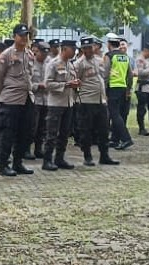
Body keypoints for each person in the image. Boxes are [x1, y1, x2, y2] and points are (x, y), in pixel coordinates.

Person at [0, 25, 36, 177]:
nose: (24, 38)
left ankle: (18, 163)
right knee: (8, 134)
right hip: (11, 99)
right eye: (22, 35)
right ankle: (4, 165)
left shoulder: (29, 54)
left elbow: (30, 76)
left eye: (27, 35)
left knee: (25, 133)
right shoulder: (6, 55)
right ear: (14, 36)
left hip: (27, 97)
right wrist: (1, 97)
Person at [74, 37, 119, 166]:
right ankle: (87, 156)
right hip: (86, 101)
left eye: (91, 47)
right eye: (86, 48)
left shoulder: (100, 61)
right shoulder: (79, 64)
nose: (89, 50)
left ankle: (104, 155)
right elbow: (76, 82)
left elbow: (103, 77)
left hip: (100, 100)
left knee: (104, 129)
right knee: (86, 130)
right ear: (82, 49)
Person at [42, 38, 79, 171]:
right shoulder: (53, 63)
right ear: (64, 49)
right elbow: (47, 84)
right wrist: (67, 84)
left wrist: (75, 84)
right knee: (52, 133)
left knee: (64, 133)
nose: (75, 52)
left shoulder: (70, 64)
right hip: (55, 104)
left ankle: (59, 158)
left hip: (68, 103)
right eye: (72, 49)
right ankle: (47, 160)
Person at [103, 35, 134, 149]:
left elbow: (105, 75)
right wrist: (128, 89)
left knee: (114, 115)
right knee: (119, 114)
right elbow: (130, 75)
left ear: (109, 44)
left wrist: (104, 91)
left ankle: (126, 139)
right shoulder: (125, 56)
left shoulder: (109, 56)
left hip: (112, 87)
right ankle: (115, 140)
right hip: (123, 87)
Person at [134, 45, 149, 135]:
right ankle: (142, 128)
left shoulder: (147, 60)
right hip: (142, 87)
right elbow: (140, 73)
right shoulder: (140, 60)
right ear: (146, 51)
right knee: (142, 109)